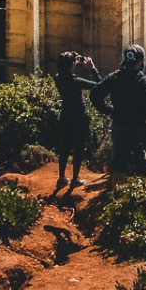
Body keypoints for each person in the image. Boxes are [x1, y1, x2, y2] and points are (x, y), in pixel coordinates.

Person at [90, 44, 146, 178]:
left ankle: (117, 193)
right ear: (140, 62)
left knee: (119, 164)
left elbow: (95, 94)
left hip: (120, 125)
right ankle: (143, 193)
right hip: (141, 128)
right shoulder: (145, 82)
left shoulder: (115, 77)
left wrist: (109, 110)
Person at [52, 51, 101, 191]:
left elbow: (66, 70)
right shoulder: (77, 82)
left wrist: (75, 62)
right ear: (71, 65)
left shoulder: (58, 78)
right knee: (78, 149)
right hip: (80, 117)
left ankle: (61, 178)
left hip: (66, 116)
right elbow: (100, 85)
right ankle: (75, 179)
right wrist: (92, 69)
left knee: (65, 148)